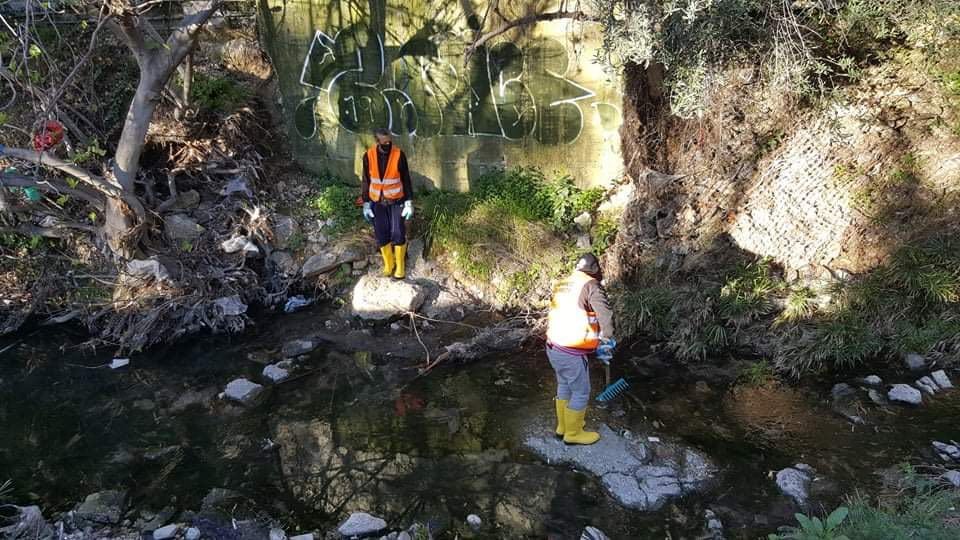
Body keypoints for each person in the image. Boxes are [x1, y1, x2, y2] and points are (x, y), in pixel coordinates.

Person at [545, 253, 617, 445]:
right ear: (595, 269)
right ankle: (573, 434)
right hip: (571, 351)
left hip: (554, 346)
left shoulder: (564, 283)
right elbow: (605, 315)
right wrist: (607, 338)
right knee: (581, 392)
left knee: (564, 385)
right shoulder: (591, 285)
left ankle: (563, 427)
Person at [361, 128, 415, 279]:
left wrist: (409, 202)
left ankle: (400, 266)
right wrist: (366, 203)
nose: (388, 145)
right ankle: (389, 264)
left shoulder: (399, 154)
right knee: (381, 234)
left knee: (398, 232)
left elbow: (406, 179)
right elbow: (366, 181)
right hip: (377, 202)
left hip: (396, 200)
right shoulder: (368, 156)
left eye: (389, 142)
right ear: (377, 142)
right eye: (384, 143)